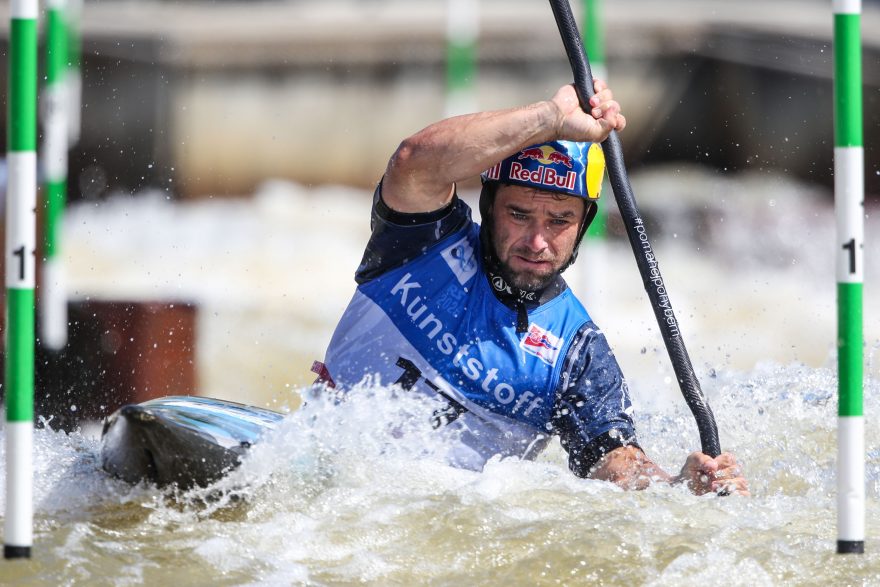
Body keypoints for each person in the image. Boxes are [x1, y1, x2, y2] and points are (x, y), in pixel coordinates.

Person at [316, 79, 748, 496]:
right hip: (323, 469)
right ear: (489, 205)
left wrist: (677, 487)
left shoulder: (577, 353)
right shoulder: (420, 244)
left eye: (559, 221)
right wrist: (551, 117)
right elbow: (414, 160)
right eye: (519, 215)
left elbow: (615, 467)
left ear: (582, 227)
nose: (537, 242)